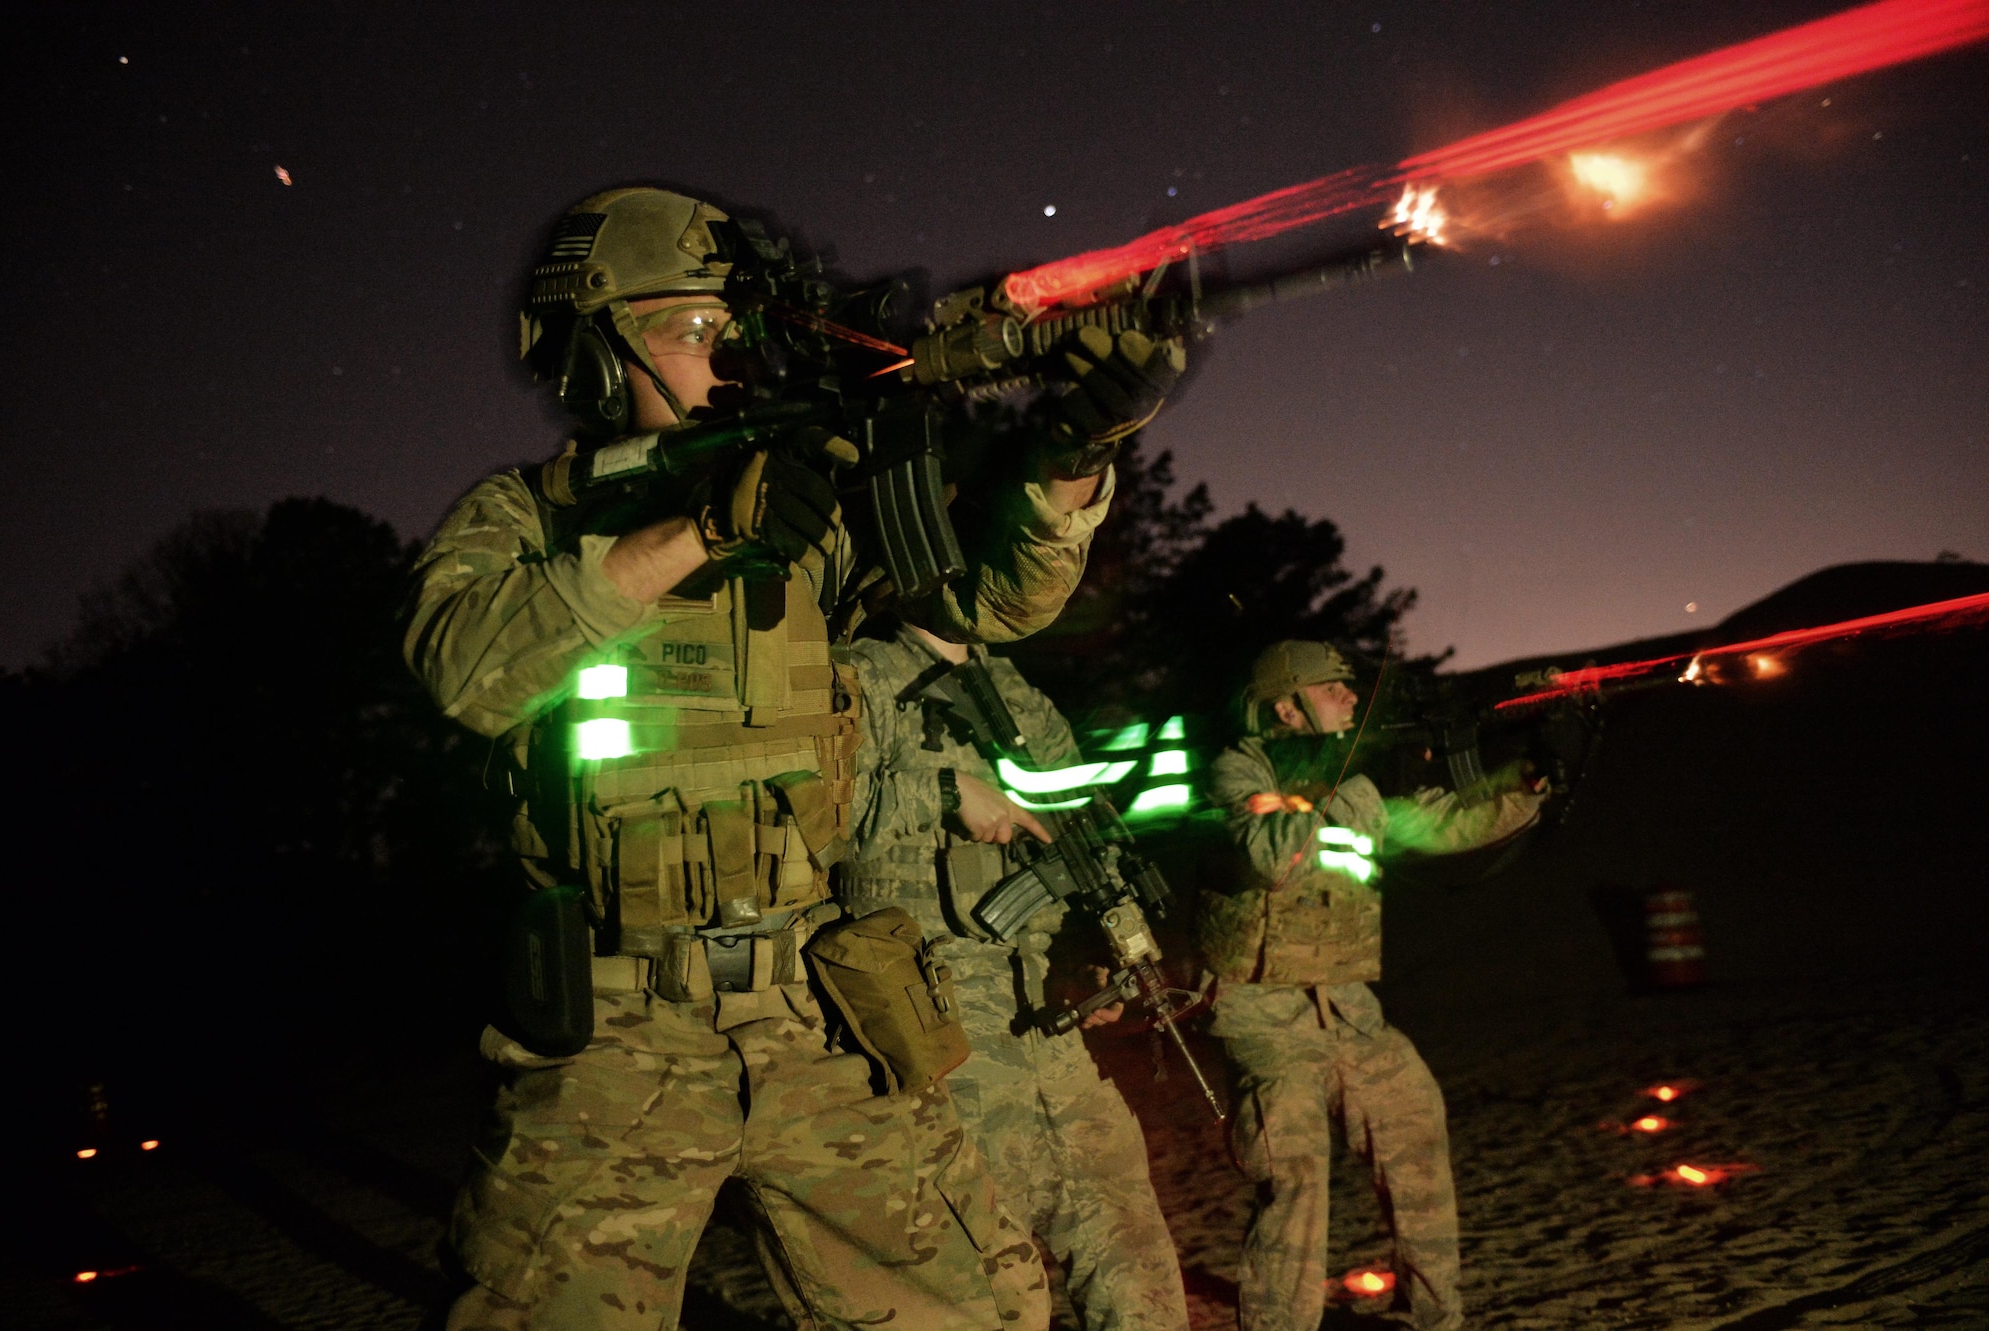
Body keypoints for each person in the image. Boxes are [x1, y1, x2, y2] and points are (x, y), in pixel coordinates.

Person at [404, 186, 1181, 1330]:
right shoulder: (527, 517)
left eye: (737, 333)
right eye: (691, 331)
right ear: (593, 347)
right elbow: (465, 667)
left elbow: (992, 600)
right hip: (621, 1032)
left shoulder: (806, 517)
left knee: (987, 1307)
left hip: (815, 1006)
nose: (726, 361)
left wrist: (1073, 458)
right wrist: (698, 532)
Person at [833, 619, 1193, 1331]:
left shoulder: (1016, 692)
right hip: (938, 1043)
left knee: (1140, 1272)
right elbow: (805, 818)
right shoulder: (855, 671)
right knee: (986, 1300)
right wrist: (939, 791)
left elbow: (1073, 833)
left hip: (1047, 1042)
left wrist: (1079, 964)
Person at [1201, 641, 1548, 1331]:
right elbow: (1270, 858)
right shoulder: (1235, 770)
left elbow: (1437, 820)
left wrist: (1525, 787)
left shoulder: (1351, 784)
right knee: (1294, 1168)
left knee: (1415, 1120)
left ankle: (1433, 1316)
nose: (1354, 700)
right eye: (1336, 689)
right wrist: (1332, 775)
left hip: (1349, 1010)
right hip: (1263, 1014)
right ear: (1287, 706)